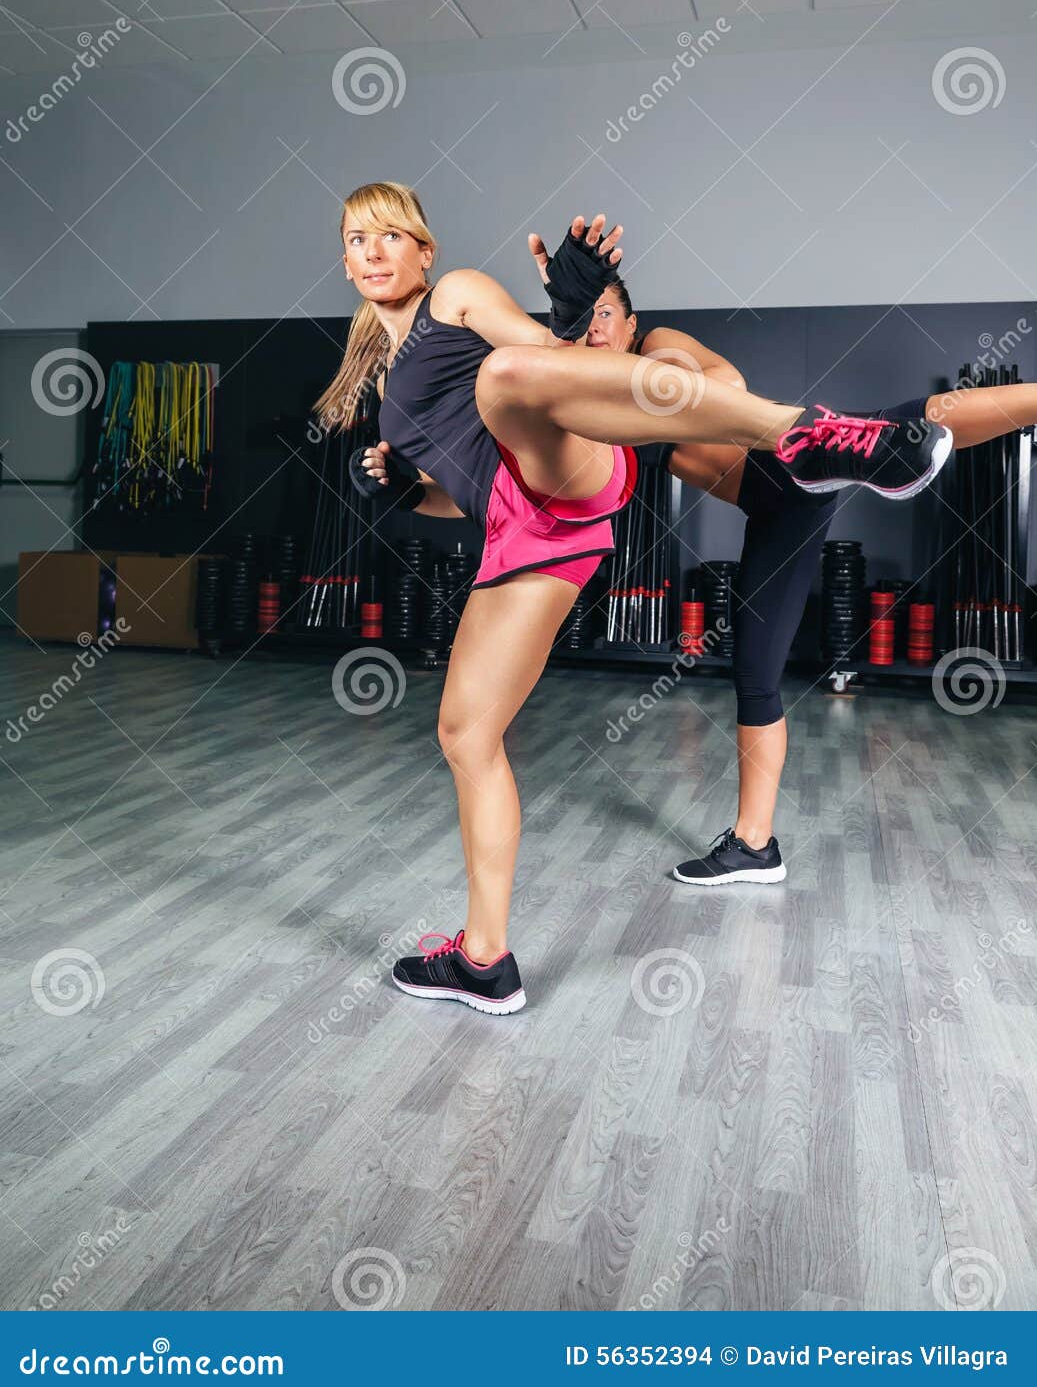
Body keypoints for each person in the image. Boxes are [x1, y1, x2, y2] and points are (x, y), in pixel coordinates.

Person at [314, 181, 950, 1014]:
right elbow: (454, 491)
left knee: (507, 373)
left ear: (422, 251)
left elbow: (548, 365)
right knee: (466, 734)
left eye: (389, 236)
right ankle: (482, 959)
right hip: (528, 531)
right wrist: (407, 490)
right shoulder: (385, 381)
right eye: (357, 238)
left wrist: (568, 312)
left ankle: (803, 435)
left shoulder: (456, 296)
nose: (371, 252)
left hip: (567, 464)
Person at [567, 270, 1037, 888]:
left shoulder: (656, 348)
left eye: (604, 314)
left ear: (629, 326)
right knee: (755, 671)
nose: (594, 327)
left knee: (911, 425)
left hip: (794, 462)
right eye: (583, 318)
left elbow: (726, 382)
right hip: (779, 510)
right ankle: (755, 846)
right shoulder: (585, 397)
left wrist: (654, 387)